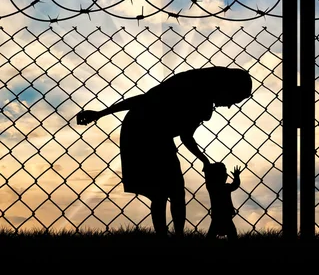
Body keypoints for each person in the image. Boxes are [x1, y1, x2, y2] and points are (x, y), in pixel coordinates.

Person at [75, 66, 253, 237]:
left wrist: (204, 160)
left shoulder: (202, 101)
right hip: (140, 131)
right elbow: (143, 101)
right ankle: (165, 236)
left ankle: (177, 236)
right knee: (161, 191)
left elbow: (186, 135)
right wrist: (101, 113)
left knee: (174, 189)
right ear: (228, 88)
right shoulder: (191, 86)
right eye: (234, 99)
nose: (230, 106)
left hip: (159, 135)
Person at [186, 144, 242, 239]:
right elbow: (235, 185)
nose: (226, 176)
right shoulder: (222, 188)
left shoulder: (212, 188)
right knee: (231, 232)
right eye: (224, 173)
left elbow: (234, 185)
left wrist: (207, 170)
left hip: (217, 216)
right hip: (225, 216)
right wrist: (236, 177)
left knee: (215, 232)